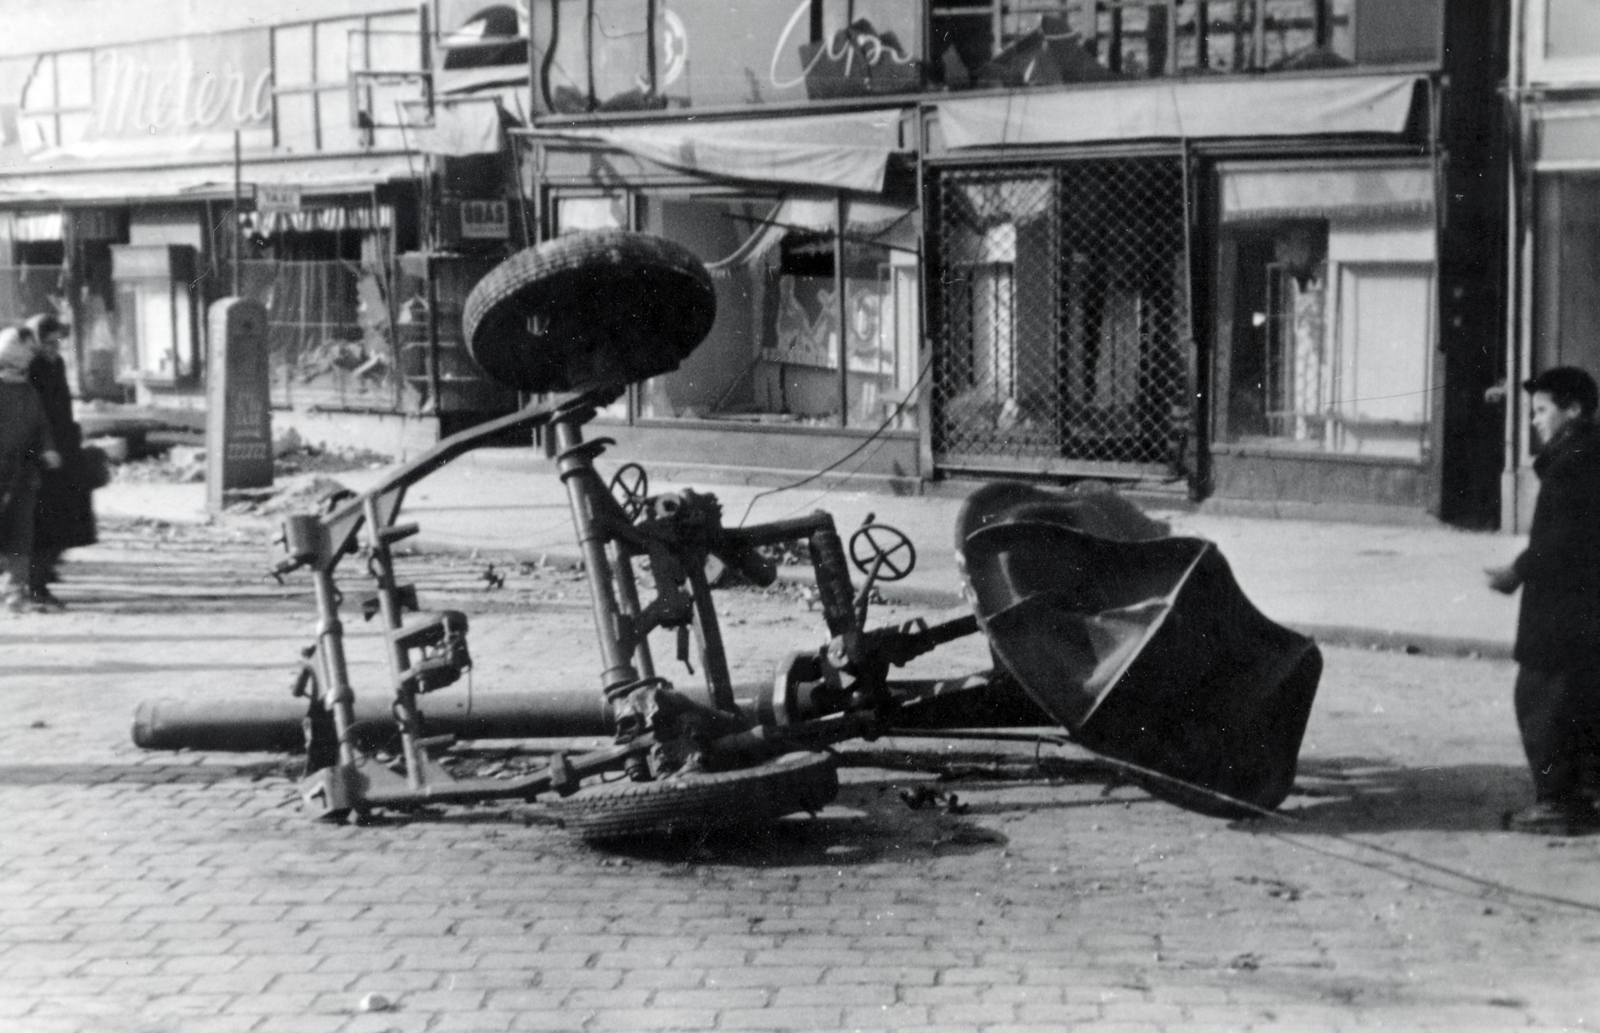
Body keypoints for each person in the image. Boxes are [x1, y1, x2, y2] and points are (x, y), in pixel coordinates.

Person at [1486, 366, 1600, 835]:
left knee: (1539, 698)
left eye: (1542, 410)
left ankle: (1557, 804)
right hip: (1584, 606)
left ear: (1572, 410)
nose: (1534, 420)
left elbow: (1561, 540)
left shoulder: (1573, 462)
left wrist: (1517, 571)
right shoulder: (1583, 455)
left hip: (1563, 608)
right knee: (1580, 697)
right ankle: (1584, 792)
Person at [25, 313, 96, 608]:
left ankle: (41, 574)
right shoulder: (27, 366)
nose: (55, 347)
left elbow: (63, 407)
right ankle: (34, 583)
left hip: (63, 451)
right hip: (39, 454)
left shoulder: (56, 363)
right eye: (48, 341)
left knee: (65, 518)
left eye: (58, 341)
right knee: (43, 523)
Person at [0, 326, 61, 614]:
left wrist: (48, 447)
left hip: (23, 472)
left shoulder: (26, 390)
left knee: (19, 531)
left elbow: (40, 424)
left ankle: (13, 591)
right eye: (22, 353)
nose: (26, 360)